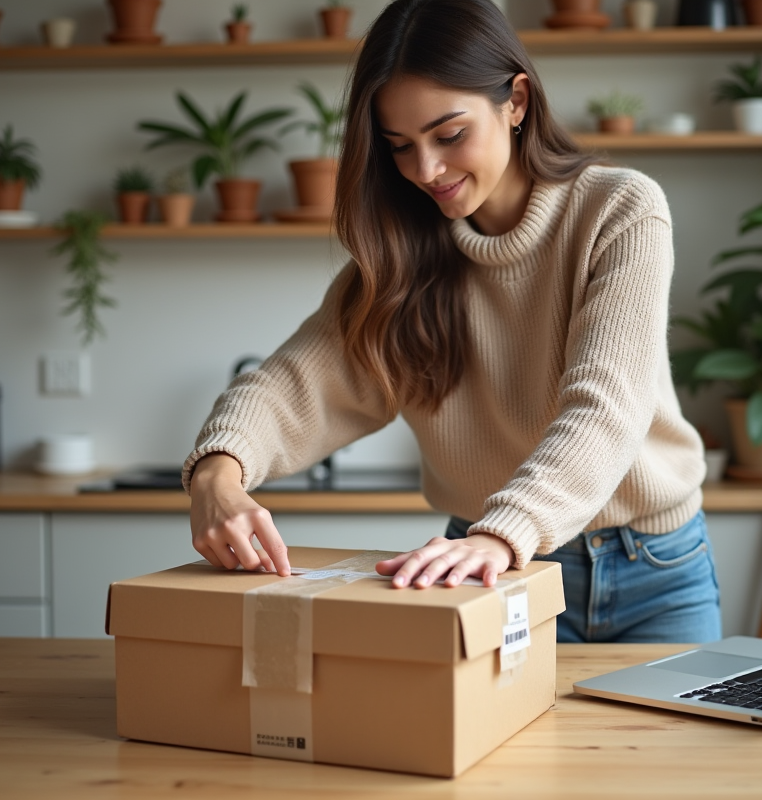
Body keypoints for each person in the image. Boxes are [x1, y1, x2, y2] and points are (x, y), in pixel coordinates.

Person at [184, 0, 720, 643]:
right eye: (400, 147)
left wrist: (503, 533)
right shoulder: (401, 261)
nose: (425, 171)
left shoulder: (618, 209)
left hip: (652, 571)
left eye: (449, 134)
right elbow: (292, 385)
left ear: (516, 101)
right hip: (488, 574)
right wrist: (218, 471)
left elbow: (606, 408)